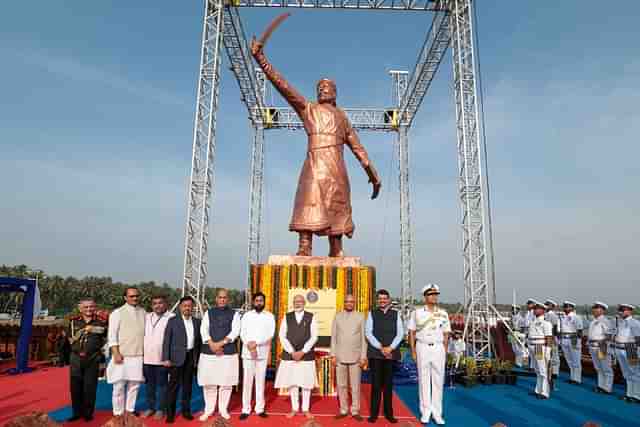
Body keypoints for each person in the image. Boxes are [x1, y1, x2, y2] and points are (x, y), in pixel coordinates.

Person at [250, 31, 381, 257]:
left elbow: (359, 148)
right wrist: (261, 59)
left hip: (337, 168)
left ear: (335, 93)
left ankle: (336, 248)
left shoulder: (342, 118)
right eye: (319, 87)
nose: (322, 89)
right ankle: (304, 247)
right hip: (314, 164)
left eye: (327, 87)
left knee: (337, 207)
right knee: (308, 205)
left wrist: (372, 173)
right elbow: (283, 86)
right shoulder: (308, 109)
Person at [408, 284, 450, 425]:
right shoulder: (417, 313)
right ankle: (425, 411)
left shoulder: (443, 313)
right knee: (424, 380)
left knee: (438, 381)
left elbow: (446, 333)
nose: (434, 297)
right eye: (431, 294)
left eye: (436, 294)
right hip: (422, 347)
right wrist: (413, 350)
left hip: (438, 347)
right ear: (425, 296)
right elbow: (412, 332)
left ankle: (437, 413)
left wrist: (444, 349)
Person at [198, 289, 241, 421]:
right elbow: (203, 329)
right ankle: (209, 410)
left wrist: (220, 344)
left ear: (228, 299)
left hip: (227, 352)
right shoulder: (208, 313)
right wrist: (212, 344)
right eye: (220, 297)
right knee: (209, 382)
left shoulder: (235, 314)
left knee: (226, 383)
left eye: (225, 298)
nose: (222, 300)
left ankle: (223, 409)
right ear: (216, 299)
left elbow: (235, 331)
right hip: (209, 352)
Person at [274, 294, 319, 419]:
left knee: (306, 383)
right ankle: (294, 408)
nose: (297, 303)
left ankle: (305, 409)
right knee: (292, 383)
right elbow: (282, 335)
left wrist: (303, 351)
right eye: (295, 301)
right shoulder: (287, 316)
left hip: (306, 355)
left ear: (304, 303)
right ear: (293, 303)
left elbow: (314, 336)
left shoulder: (311, 316)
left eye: (300, 301)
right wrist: (292, 352)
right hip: (290, 355)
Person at [106, 286, 146, 419]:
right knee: (119, 385)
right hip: (122, 355)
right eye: (131, 296)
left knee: (134, 385)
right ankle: (118, 412)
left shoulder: (143, 312)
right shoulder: (117, 313)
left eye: (136, 296)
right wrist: (115, 353)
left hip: (138, 355)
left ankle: (130, 409)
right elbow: (112, 335)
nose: (135, 298)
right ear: (125, 298)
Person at [66, 298, 108, 422]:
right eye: (86, 307)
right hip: (76, 357)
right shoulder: (73, 322)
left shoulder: (101, 322)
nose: (89, 309)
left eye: (91, 307)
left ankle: (88, 413)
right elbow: (69, 339)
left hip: (93, 357)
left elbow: (106, 336)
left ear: (95, 307)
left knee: (90, 386)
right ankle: (76, 412)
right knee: (75, 386)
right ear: (80, 308)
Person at [365, 289, 404, 424]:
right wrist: (381, 347)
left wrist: (390, 348)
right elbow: (368, 333)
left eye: (384, 298)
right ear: (377, 300)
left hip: (391, 354)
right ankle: (374, 414)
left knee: (388, 386)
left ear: (388, 300)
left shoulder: (396, 314)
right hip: (376, 354)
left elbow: (400, 333)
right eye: (380, 298)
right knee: (376, 385)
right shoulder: (372, 313)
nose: (382, 300)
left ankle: (389, 414)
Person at [163, 296, 202, 423]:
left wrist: (198, 359)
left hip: (191, 358)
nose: (187, 308)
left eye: (189, 306)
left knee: (188, 387)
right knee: (173, 387)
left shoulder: (197, 322)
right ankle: (170, 414)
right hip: (175, 359)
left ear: (193, 307)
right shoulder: (172, 321)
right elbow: (166, 341)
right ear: (180, 307)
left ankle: (186, 411)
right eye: (185, 306)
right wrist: (166, 358)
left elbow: (199, 342)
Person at [330, 294, 367, 421]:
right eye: (347, 302)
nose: (349, 303)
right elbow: (333, 338)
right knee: (341, 385)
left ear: (354, 303)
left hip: (356, 357)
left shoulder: (361, 316)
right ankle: (343, 410)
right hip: (339, 357)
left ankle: (355, 410)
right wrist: (333, 355)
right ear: (344, 303)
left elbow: (364, 339)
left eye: (351, 301)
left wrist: (363, 357)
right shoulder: (337, 316)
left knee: (355, 386)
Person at [239, 292, 276, 420]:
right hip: (248, 352)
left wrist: (256, 343)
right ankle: (245, 409)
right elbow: (242, 332)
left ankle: (260, 409)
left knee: (260, 382)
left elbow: (270, 334)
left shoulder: (269, 316)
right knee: (247, 382)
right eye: (257, 300)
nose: (259, 302)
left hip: (262, 353)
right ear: (253, 302)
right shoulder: (247, 316)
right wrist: (250, 345)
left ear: (264, 302)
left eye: (261, 300)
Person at [141, 295, 173, 420]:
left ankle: (160, 409)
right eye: (155, 303)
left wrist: (169, 357)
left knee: (162, 386)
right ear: (151, 305)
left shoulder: (172, 318)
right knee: (149, 385)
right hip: (147, 358)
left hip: (162, 359)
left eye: (160, 303)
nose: (157, 305)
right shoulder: (146, 317)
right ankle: (150, 407)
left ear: (165, 304)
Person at [613, 303, 640, 402]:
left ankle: (637, 396)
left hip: (631, 349)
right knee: (627, 373)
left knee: (635, 373)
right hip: (620, 349)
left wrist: (637, 353)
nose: (621, 312)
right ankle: (629, 394)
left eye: (623, 310)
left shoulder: (635, 323)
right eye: (620, 310)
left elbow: (638, 340)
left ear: (629, 311)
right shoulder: (620, 322)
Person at [528, 300, 553, 399]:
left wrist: (547, 351)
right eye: (534, 309)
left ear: (543, 310)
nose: (535, 310)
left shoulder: (546, 323)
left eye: (537, 309)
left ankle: (544, 392)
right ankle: (538, 390)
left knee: (543, 370)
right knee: (537, 370)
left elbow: (549, 338)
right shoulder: (533, 322)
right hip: (532, 346)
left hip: (539, 347)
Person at [588, 301, 614, 394]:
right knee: (598, 367)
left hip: (602, 347)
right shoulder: (593, 321)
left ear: (602, 310)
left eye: (597, 308)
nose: (594, 310)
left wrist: (600, 342)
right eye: (594, 308)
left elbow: (609, 336)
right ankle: (601, 386)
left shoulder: (606, 321)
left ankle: (607, 388)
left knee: (606, 368)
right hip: (593, 347)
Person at [559, 301, 584, 384]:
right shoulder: (563, 317)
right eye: (565, 307)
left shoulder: (576, 317)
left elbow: (580, 331)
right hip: (564, 339)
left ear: (572, 308)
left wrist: (576, 341)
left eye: (568, 307)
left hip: (573, 339)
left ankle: (577, 379)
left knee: (576, 360)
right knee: (569, 359)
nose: (566, 308)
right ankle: (572, 377)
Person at [544, 299, 560, 381]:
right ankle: (548, 370)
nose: (546, 305)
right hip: (546, 337)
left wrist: (553, 338)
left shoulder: (553, 315)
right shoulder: (545, 314)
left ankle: (555, 372)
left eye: (548, 304)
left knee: (554, 356)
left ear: (552, 306)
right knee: (547, 355)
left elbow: (555, 327)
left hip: (552, 337)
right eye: (546, 304)